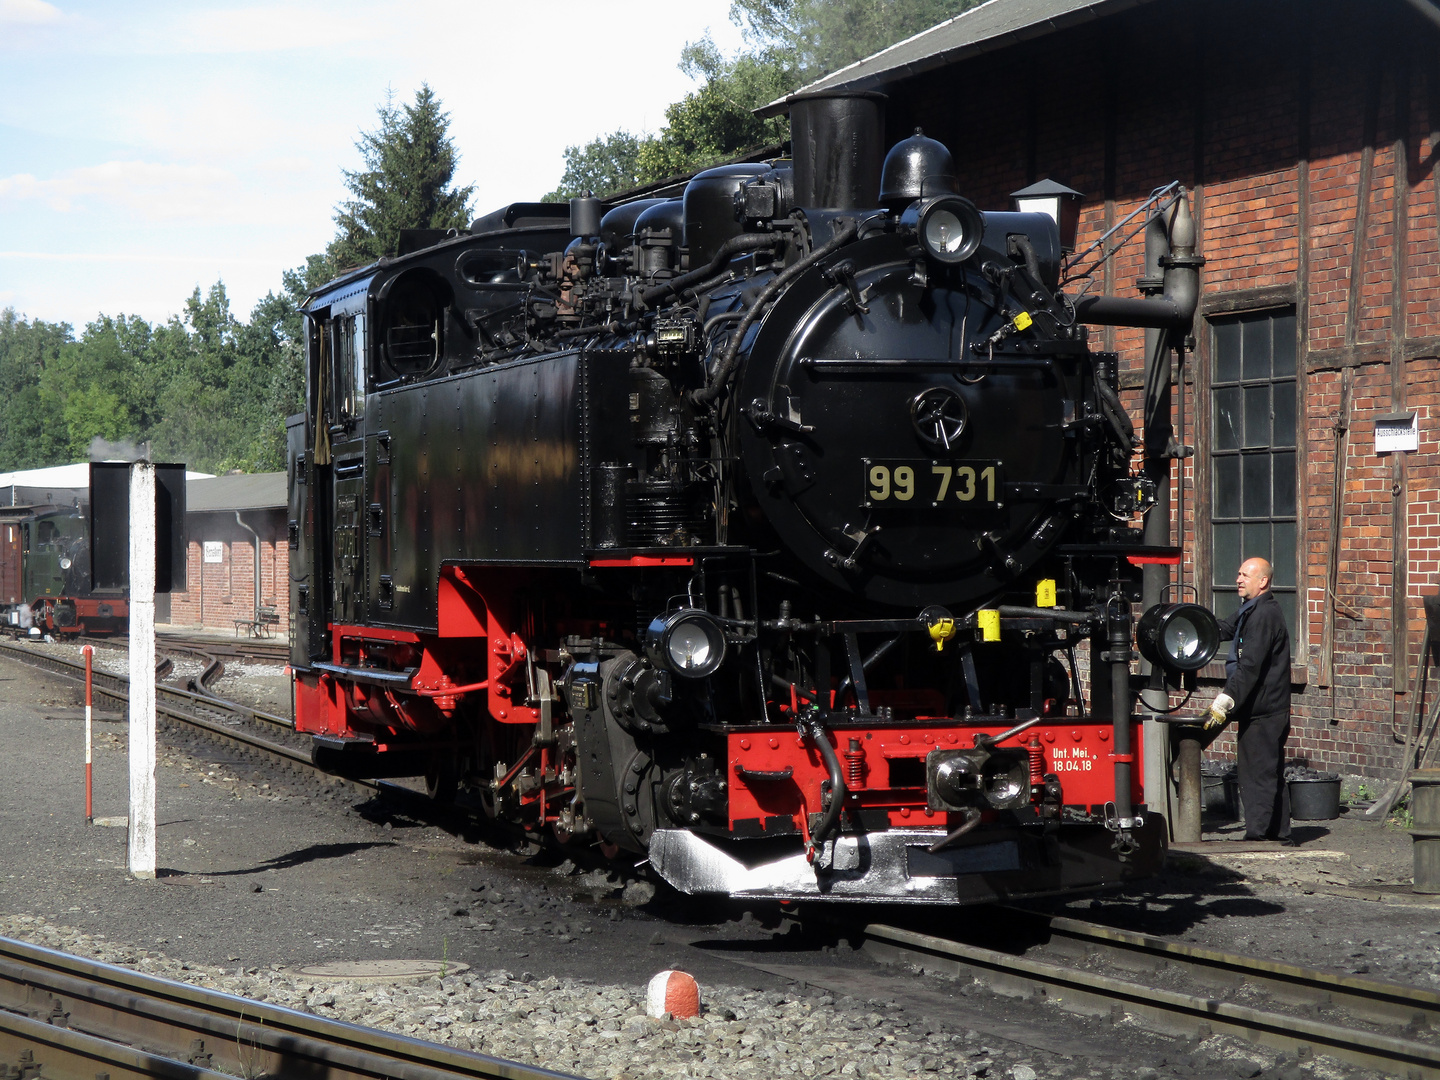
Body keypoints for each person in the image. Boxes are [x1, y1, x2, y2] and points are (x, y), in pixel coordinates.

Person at [1205, 557, 1294, 844]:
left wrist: (1226, 699)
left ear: (1263, 581)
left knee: (1258, 774)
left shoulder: (1264, 615)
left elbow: (1250, 666)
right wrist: (1193, 624)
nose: (1238, 579)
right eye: (1238, 573)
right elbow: (1224, 629)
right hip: (1259, 708)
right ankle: (1278, 833)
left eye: (1245, 575)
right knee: (1266, 770)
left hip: (1265, 710)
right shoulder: (1250, 609)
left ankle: (1259, 836)